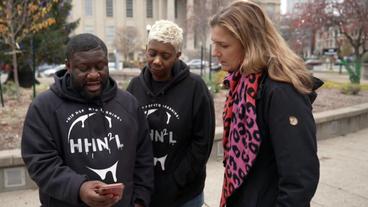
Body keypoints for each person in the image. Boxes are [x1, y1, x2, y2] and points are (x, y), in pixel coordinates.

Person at [210, 1, 322, 207]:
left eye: (223, 45)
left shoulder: (282, 92)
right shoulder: (242, 83)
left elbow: (299, 179)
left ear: (251, 43)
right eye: (214, 43)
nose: (215, 52)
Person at [21, 33, 154, 207]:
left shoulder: (128, 104)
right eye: (84, 68)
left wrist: (139, 200)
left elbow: (144, 157)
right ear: (68, 66)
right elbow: (40, 162)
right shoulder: (44, 107)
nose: (93, 75)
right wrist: (79, 188)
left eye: (100, 66)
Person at [127, 20, 215, 207]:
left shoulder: (195, 88)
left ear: (178, 55)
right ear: (146, 50)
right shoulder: (135, 87)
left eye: (165, 55)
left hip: (184, 195)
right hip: (144, 192)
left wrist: (176, 181)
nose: (157, 60)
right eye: (152, 53)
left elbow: (202, 143)